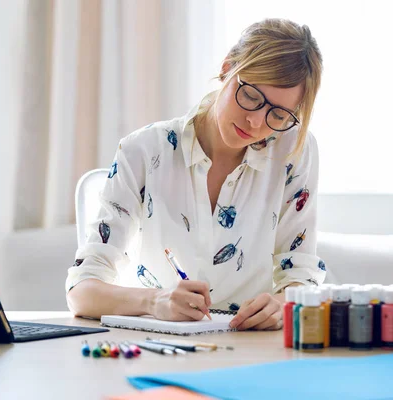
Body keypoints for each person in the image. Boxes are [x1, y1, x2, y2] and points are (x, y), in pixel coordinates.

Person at [66, 18, 324, 331]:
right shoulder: (145, 150)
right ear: (227, 68)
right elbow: (82, 293)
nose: (256, 122)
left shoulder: (293, 150)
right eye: (251, 97)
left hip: (253, 349)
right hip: (159, 348)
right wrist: (155, 301)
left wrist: (283, 304)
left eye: (278, 114)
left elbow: (302, 275)